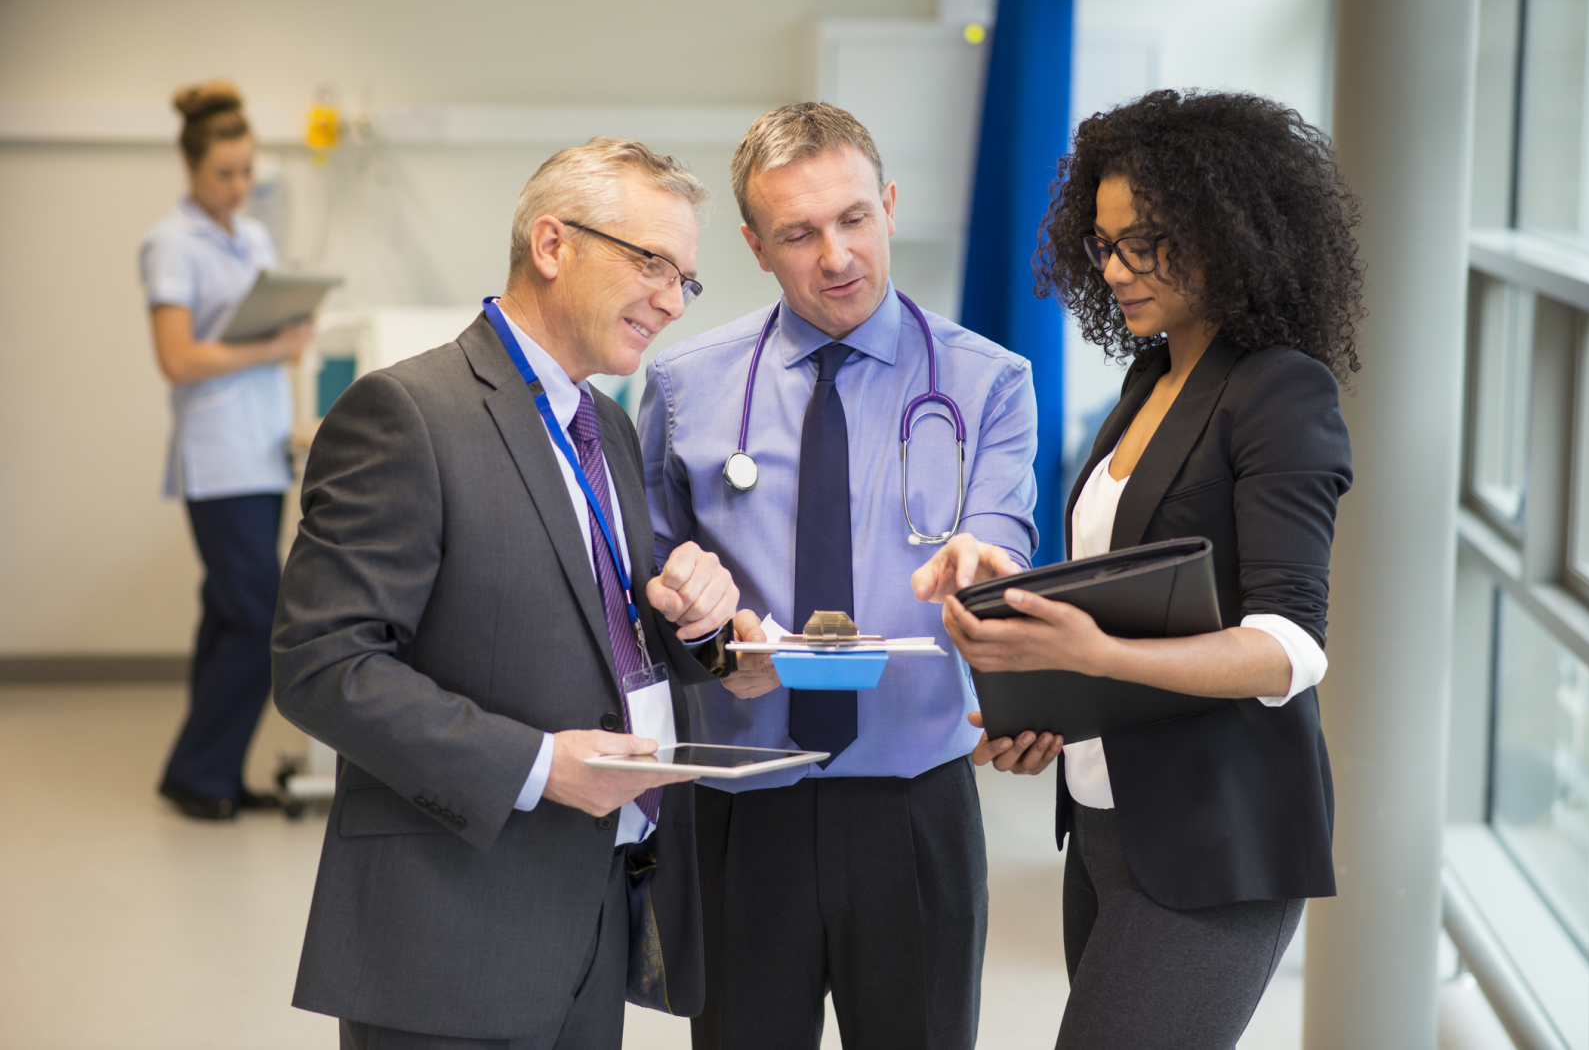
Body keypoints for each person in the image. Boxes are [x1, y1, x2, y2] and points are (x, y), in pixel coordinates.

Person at [272, 138, 753, 1050]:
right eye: (651, 262)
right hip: (454, 931)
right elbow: (322, 665)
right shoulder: (406, 414)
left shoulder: (602, 422)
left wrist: (697, 620)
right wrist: (540, 767)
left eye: (686, 280)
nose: (670, 300)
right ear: (551, 244)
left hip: (592, 914)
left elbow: (596, 616)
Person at [938, 90, 1362, 1050]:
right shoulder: (1147, 384)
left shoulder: (1281, 391)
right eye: (1104, 244)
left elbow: (1289, 648)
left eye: (1150, 242)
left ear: (1232, 233)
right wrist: (1044, 693)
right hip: (1105, 822)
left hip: (1217, 837)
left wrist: (1093, 658)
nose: (1120, 268)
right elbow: (1128, 598)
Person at [638, 102, 1039, 1050]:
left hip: (913, 802)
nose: (836, 256)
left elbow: (1000, 536)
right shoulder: (682, 385)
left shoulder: (988, 383)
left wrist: (987, 568)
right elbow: (646, 578)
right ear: (753, 245)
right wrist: (703, 640)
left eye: (855, 218)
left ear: (890, 205)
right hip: (744, 801)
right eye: (798, 233)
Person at [140, 80, 315, 820]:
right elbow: (177, 358)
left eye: (246, 171)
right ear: (190, 167)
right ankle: (200, 769)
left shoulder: (254, 237)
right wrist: (271, 344)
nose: (239, 186)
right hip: (216, 459)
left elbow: (258, 341)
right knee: (257, 618)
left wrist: (288, 347)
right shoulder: (170, 243)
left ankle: (202, 772)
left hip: (261, 449)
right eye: (224, 173)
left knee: (226, 616)